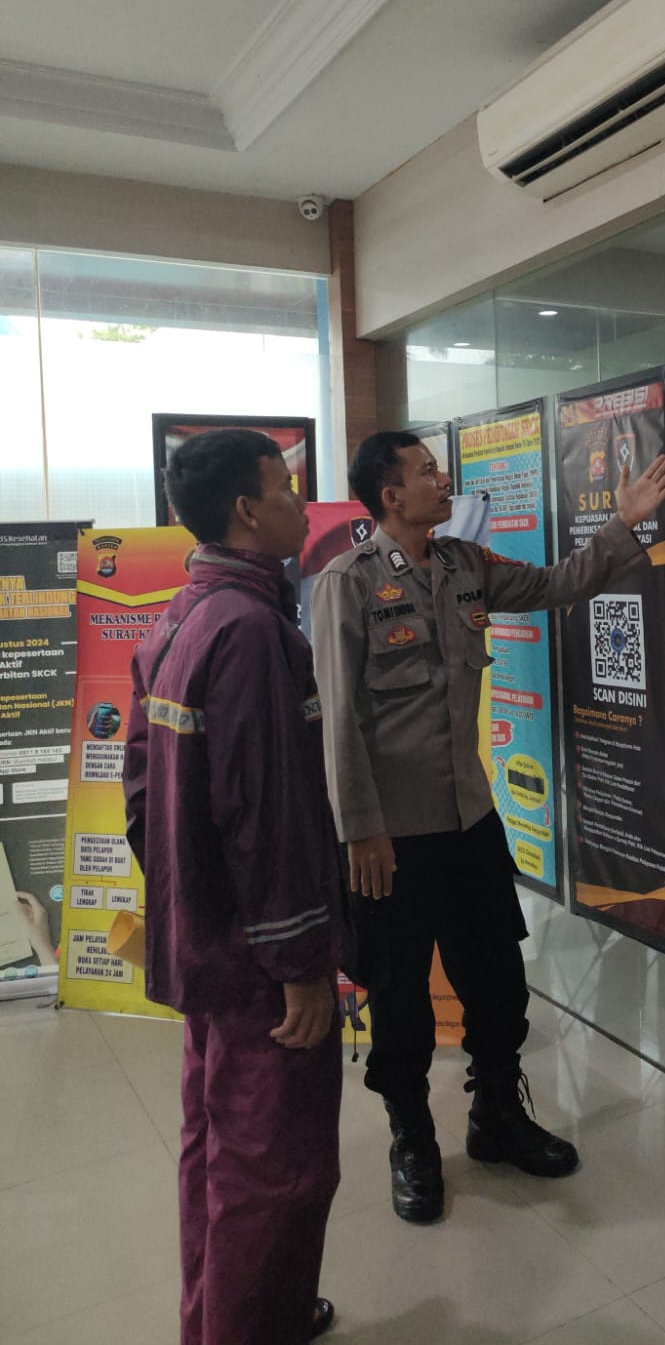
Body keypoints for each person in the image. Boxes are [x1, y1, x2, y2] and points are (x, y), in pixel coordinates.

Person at [311, 430, 665, 1224]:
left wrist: (623, 524)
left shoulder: (464, 565)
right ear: (390, 496)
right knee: (400, 998)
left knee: (497, 981)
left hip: (470, 819)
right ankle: (412, 1137)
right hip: (391, 839)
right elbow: (337, 719)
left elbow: (557, 584)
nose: (443, 481)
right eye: (426, 473)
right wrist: (360, 830)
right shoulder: (348, 582)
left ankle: (496, 1116)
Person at [123, 430, 342, 1345]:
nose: (302, 504)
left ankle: (228, 1320)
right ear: (248, 510)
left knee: (215, 1149)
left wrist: (190, 904)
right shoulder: (250, 631)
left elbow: (141, 793)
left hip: (208, 942)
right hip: (259, 964)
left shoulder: (183, 613)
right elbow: (269, 815)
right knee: (274, 1170)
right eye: (287, 488)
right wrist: (298, 963)